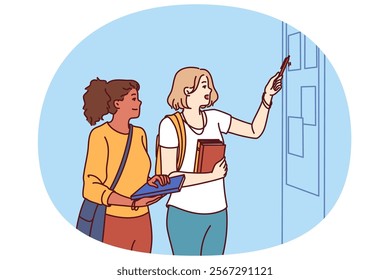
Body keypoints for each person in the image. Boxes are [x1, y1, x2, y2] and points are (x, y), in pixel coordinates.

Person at [158, 66, 282, 255]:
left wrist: (267, 98)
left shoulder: (215, 118)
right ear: (187, 90)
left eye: (209, 86)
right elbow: (170, 176)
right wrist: (212, 175)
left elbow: (253, 131)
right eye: (203, 86)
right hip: (184, 213)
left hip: (218, 213)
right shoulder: (170, 125)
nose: (208, 91)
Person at [81, 78, 170, 252]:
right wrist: (132, 203)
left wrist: (152, 182)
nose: (139, 102)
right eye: (133, 98)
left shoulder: (140, 134)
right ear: (117, 103)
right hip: (112, 220)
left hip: (142, 219)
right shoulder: (100, 135)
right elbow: (91, 187)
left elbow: (136, 177)